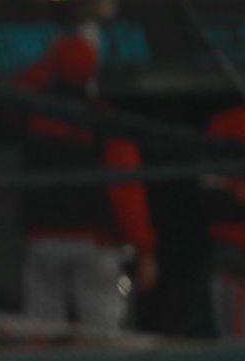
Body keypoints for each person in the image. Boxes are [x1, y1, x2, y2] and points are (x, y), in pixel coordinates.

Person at [18, 35, 157, 329]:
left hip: (44, 238)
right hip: (97, 241)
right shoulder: (104, 120)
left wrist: (47, 60)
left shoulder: (33, 112)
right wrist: (144, 249)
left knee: (42, 334)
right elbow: (125, 190)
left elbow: (18, 90)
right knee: (103, 331)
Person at [202, 73, 245, 336]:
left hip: (240, 248)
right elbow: (212, 197)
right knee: (237, 346)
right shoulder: (226, 125)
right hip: (239, 249)